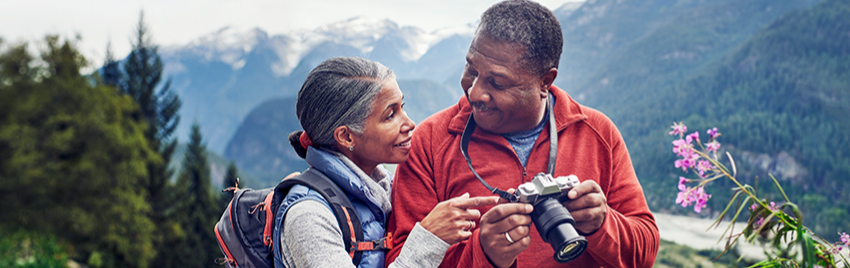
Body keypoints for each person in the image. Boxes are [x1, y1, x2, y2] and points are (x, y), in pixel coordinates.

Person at [385, 1, 659, 267]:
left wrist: (602, 224)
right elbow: (400, 260)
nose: (475, 92)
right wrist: (484, 254)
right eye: (471, 69)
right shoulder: (430, 141)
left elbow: (644, 254)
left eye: (498, 82)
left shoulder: (597, 132)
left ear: (545, 82)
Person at [274, 56, 499, 268]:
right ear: (346, 136)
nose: (410, 123)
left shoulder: (383, 192)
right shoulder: (308, 217)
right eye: (390, 115)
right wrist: (429, 238)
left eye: (402, 107)